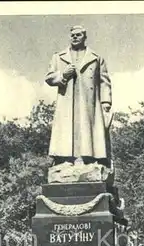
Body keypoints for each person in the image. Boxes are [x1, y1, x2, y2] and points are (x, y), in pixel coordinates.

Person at [45, 25, 113, 168]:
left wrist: (106, 101)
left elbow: (104, 81)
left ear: (85, 37)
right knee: (66, 127)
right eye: (73, 35)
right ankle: (65, 159)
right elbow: (49, 77)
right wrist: (63, 74)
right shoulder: (59, 57)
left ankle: (86, 158)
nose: (75, 37)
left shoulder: (96, 58)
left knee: (86, 127)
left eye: (78, 35)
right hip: (67, 99)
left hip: (88, 100)